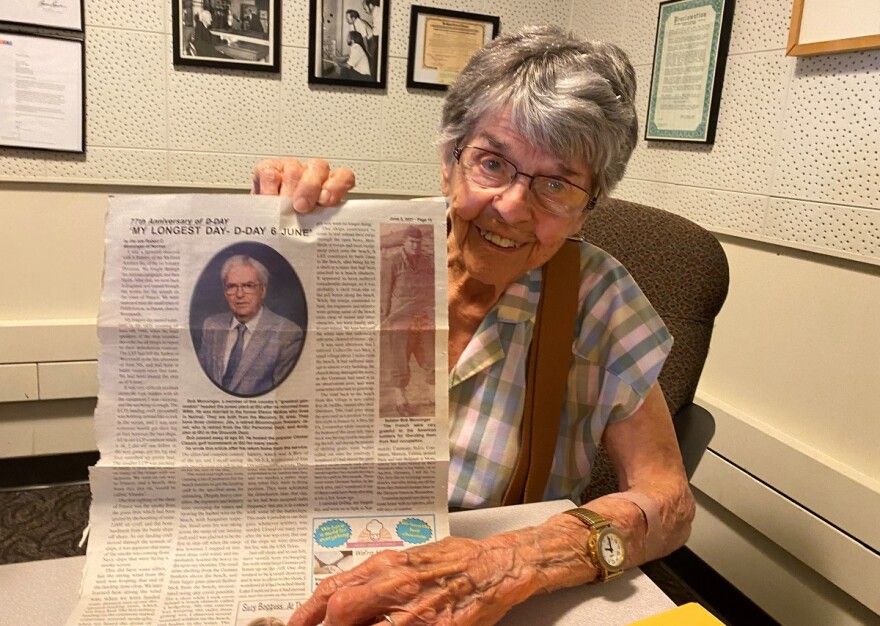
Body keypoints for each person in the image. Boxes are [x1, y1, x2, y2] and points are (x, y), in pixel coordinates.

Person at [252, 25, 694, 626]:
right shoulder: (360, 251)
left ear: (588, 206)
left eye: (557, 185)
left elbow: (669, 500)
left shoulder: (595, 294)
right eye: (492, 162)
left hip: (491, 598)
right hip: (314, 560)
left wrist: (514, 560)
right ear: (447, 162)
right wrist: (271, 231)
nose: (513, 205)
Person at [197, 254, 304, 397]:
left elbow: (285, 395)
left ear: (263, 290)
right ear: (225, 292)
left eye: (248, 285)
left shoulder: (288, 334)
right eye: (232, 286)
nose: (239, 294)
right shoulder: (211, 325)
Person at [381, 225, 434, 416]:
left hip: (422, 318)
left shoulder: (426, 262)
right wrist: (386, 317)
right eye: (412, 242)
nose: (416, 246)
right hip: (399, 319)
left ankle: (433, 396)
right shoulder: (393, 262)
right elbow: (385, 292)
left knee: (430, 356)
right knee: (400, 360)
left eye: (418, 243)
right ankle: (400, 400)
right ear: (404, 241)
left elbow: (432, 289)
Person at [345, 9, 377, 79]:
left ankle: (371, 78)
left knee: (370, 59)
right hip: (363, 40)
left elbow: (364, 39)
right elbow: (352, 39)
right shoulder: (352, 24)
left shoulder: (360, 24)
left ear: (353, 18)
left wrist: (367, 51)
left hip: (370, 40)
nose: (346, 20)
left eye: (348, 18)